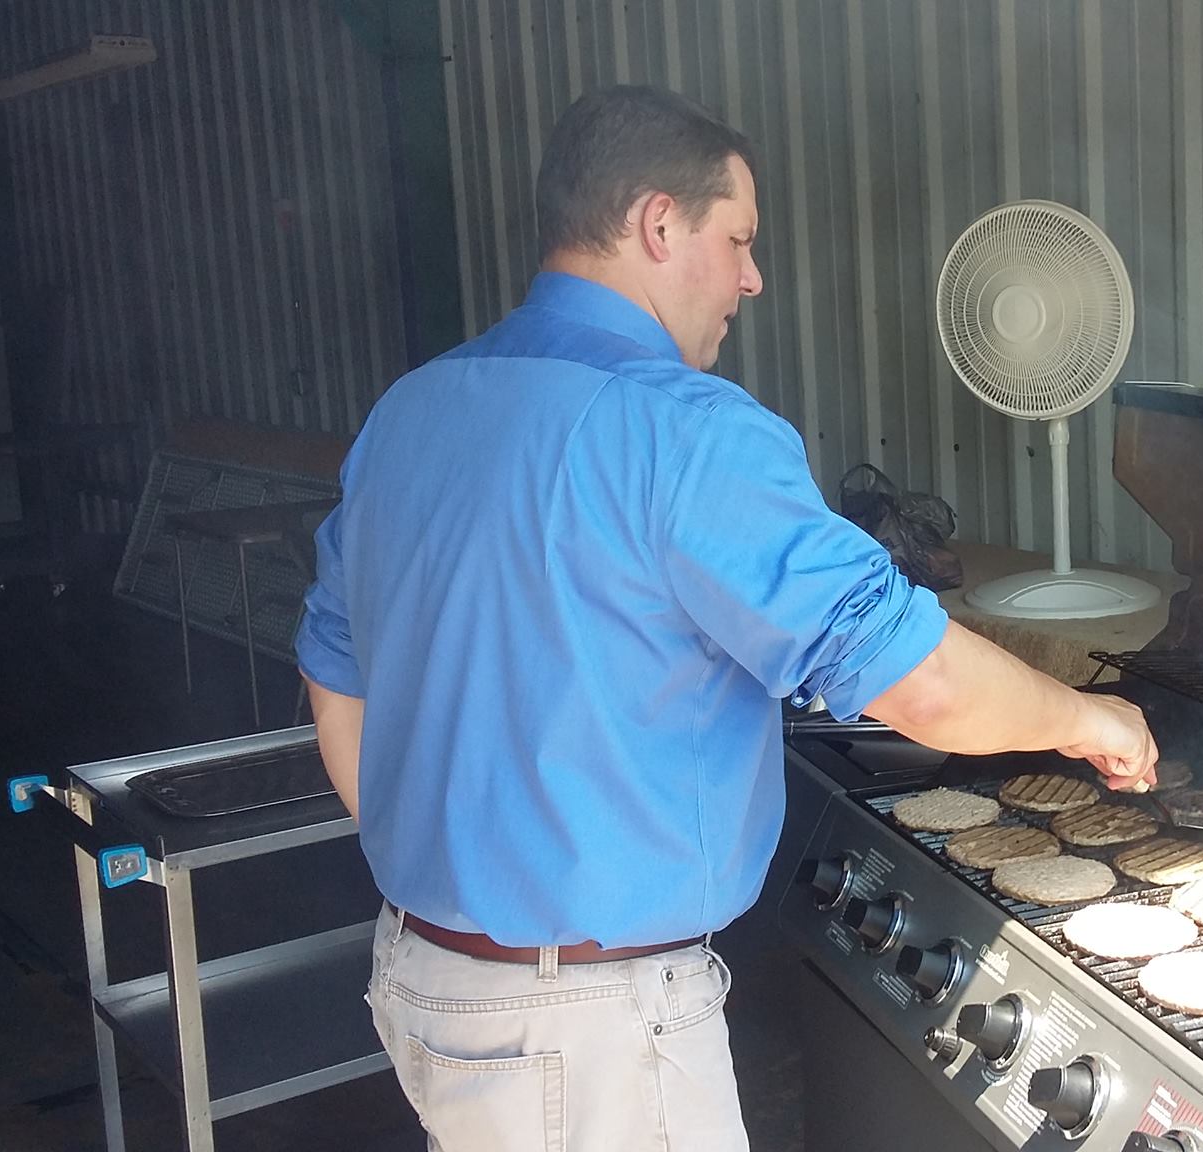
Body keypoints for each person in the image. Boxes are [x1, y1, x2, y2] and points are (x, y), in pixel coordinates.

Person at [294, 84, 1159, 1152]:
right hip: (588, 1032)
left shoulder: (411, 411)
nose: (751, 277)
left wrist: (445, 871)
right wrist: (1087, 717)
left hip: (425, 980)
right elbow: (922, 684)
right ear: (658, 223)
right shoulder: (682, 429)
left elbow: (335, 674)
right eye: (738, 239)